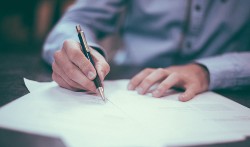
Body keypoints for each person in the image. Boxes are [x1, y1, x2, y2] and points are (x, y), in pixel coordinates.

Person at [43, 0, 250, 102]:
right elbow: (75, 21)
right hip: (131, 85)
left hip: (227, 92)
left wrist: (206, 71)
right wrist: (81, 54)